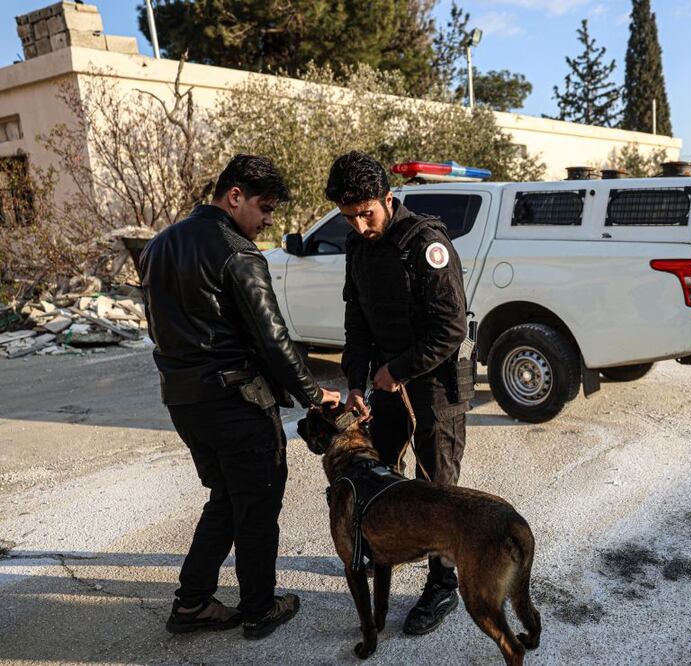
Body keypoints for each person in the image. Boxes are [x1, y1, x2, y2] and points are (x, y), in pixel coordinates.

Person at [141, 155, 340, 639]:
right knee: (257, 504)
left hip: (184, 402)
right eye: (265, 208)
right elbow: (273, 339)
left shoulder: (159, 245)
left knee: (226, 499)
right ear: (235, 197)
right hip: (236, 402)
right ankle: (259, 608)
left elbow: (157, 326)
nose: (268, 220)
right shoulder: (238, 252)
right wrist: (315, 394)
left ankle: (192, 604)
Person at [325, 151, 470, 636]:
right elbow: (357, 321)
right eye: (351, 217)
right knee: (378, 478)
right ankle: (384, 549)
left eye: (368, 213)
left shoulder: (425, 243)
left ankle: (443, 583)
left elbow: (451, 328)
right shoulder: (357, 247)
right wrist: (356, 381)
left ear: (388, 199)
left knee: (438, 489)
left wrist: (399, 369)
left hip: (434, 387)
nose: (361, 225)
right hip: (386, 385)